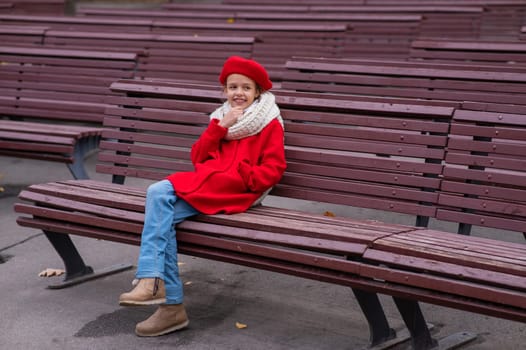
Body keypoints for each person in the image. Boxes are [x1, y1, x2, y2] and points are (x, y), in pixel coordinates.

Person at [118, 56, 287, 337]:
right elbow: (198, 157)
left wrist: (243, 175)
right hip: (208, 186)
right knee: (159, 201)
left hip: (235, 192)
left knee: (159, 201)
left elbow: (273, 170)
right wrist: (220, 126)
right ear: (224, 91)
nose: (239, 93)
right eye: (232, 87)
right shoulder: (220, 117)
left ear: (258, 92)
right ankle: (162, 296)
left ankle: (157, 288)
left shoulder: (269, 122)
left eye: (246, 87)